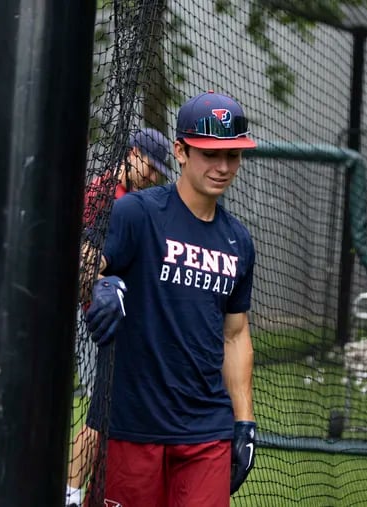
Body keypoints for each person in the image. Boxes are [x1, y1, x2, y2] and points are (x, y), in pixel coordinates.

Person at [83, 91, 258, 507]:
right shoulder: (138, 213)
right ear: (180, 151)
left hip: (206, 433)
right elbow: (84, 261)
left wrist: (245, 421)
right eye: (209, 154)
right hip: (132, 426)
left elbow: (235, 335)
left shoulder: (239, 242)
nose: (222, 167)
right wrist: (97, 284)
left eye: (232, 156)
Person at [67, 128, 172, 507]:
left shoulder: (129, 197)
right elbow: (84, 261)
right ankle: (70, 495)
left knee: (107, 413)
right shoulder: (105, 193)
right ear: (132, 153)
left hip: (108, 321)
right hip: (91, 319)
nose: (153, 174)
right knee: (99, 415)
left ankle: (85, 493)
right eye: (149, 164)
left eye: (159, 169)